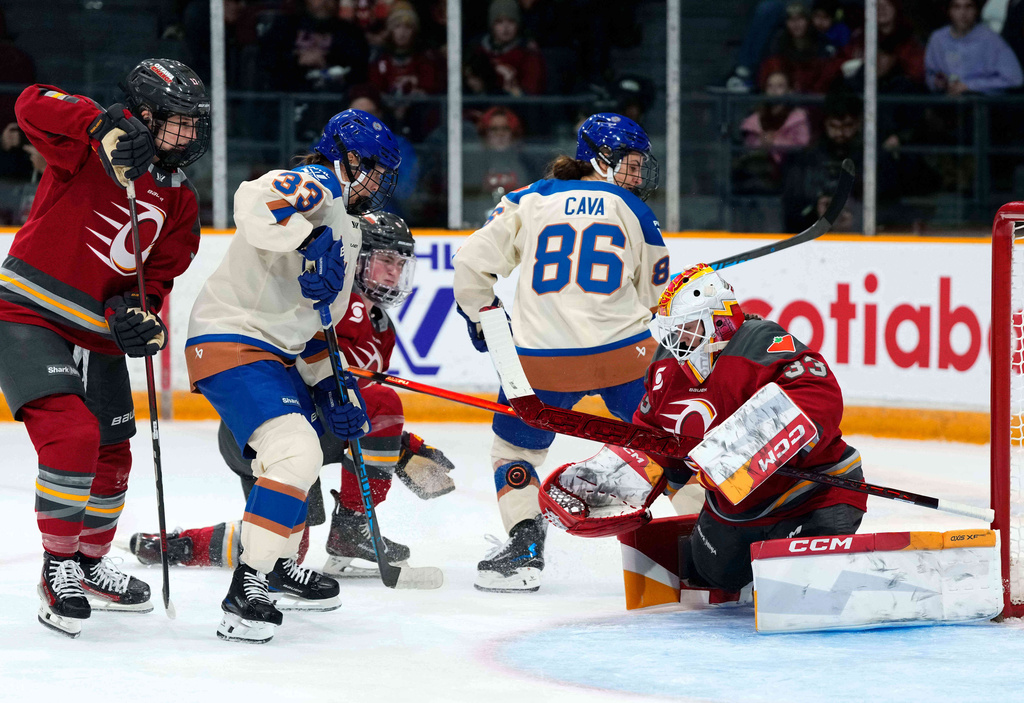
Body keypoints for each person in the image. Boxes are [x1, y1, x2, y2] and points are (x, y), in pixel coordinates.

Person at [0, 59, 211, 638]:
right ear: (143, 114)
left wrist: (142, 316)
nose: (189, 136)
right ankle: (56, 566)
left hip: (97, 336)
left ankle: (89, 565)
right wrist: (97, 122)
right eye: (177, 124)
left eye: (195, 125)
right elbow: (30, 102)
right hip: (28, 312)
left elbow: (158, 278)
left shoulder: (182, 202)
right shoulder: (87, 148)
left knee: (114, 454)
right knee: (72, 435)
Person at [129, 214, 456, 577]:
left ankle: (187, 545)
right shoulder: (331, 306)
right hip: (269, 425)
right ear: (359, 259)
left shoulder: (383, 327)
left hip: (314, 431)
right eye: (385, 260)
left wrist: (395, 442)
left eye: (399, 264)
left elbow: (357, 401)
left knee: (286, 547)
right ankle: (347, 529)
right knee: (382, 404)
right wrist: (400, 444)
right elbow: (318, 377)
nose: (394, 272)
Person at [184, 108, 401, 643]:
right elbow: (252, 203)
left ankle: (276, 561)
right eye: (373, 168)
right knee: (294, 450)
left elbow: (309, 328)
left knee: (299, 457)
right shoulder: (318, 182)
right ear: (349, 158)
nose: (379, 182)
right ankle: (247, 588)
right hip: (232, 335)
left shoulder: (349, 228)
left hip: (278, 353)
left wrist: (332, 384)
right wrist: (307, 241)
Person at [547, 264, 867, 594]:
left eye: (686, 328)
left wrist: (743, 445)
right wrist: (604, 481)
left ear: (719, 320)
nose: (676, 341)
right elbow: (653, 440)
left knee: (801, 587)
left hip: (812, 494)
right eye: (671, 331)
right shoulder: (666, 366)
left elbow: (819, 394)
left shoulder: (761, 341)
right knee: (714, 577)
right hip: (736, 508)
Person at [452, 112, 669, 593]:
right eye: (630, 164)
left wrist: (483, 314)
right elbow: (657, 299)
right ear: (601, 159)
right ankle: (713, 543)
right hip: (625, 355)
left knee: (513, 450)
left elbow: (469, 260)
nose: (636, 176)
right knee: (667, 445)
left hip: (542, 362)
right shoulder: (635, 210)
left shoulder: (530, 199)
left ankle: (525, 548)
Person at [925, 0, 1023, 95]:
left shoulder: (991, 39)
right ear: (948, 11)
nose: (963, 13)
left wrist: (970, 86)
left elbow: (1015, 78)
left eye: (968, 6)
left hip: (982, 104)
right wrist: (938, 83)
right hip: (947, 103)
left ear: (976, 10)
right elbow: (930, 75)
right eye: (957, 7)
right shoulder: (937, 39)